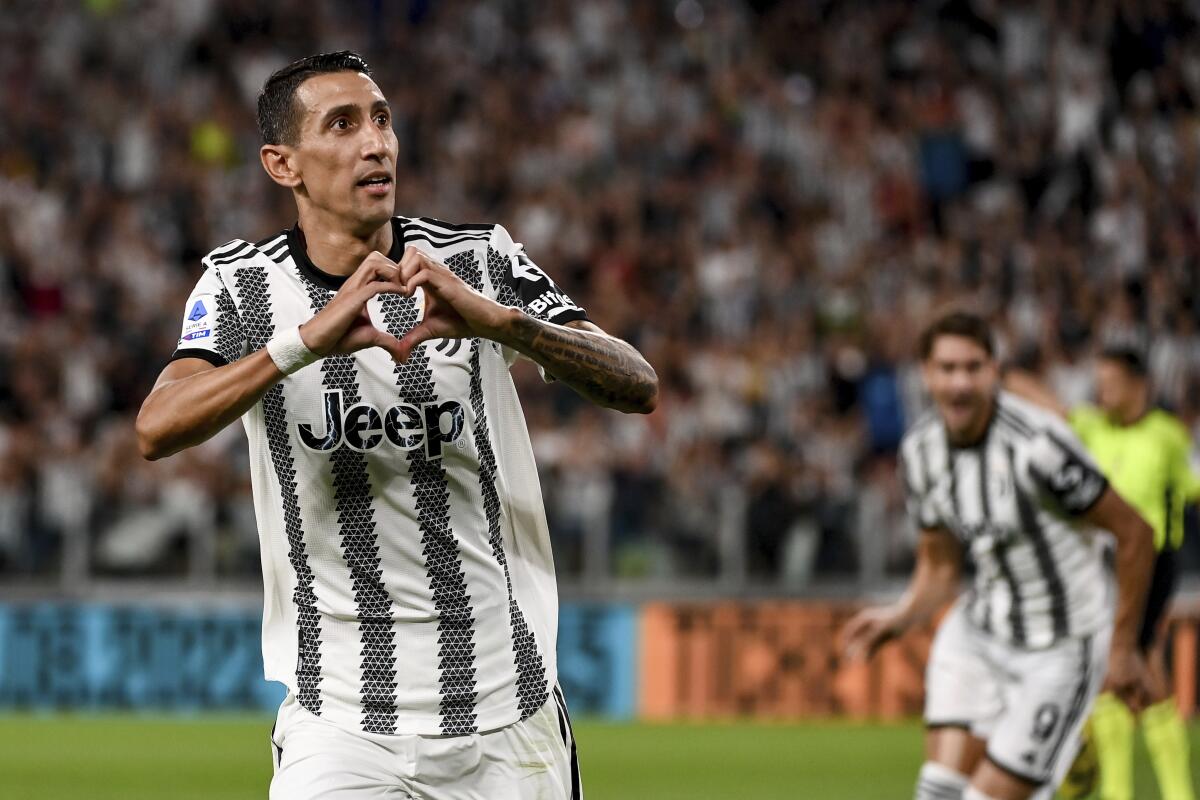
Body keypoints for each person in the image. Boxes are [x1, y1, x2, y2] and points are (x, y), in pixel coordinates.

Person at [135, 51, 657, 800]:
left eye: (381, 119)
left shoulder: (475, 260)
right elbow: (157, 426)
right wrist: (303, 342)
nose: (375, 142)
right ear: (283, 164)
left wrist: (503, 323)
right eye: (342, 125)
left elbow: (638, 383)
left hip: (509, 719)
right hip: (339, 726)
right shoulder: (242, 284)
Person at [841, 311, 1155, 800]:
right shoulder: (921, 452)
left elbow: (1135, 532)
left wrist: (1122, 648)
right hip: (981, 631)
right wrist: (901, 616)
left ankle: (1065, 753)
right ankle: (1064, 764)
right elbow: (941, 566)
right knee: (937, 792)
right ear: (925, 373)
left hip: (1062, 643)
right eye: (947, 368)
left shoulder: (1039, 447)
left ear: (994, 371)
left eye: (973, 367)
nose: (960, 383)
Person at [1007, 344, 1199, 800]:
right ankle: (1168, 791)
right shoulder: (1090, 426)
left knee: (1126, 664)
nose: (1104, 393)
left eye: (1112, 384)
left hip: (1150, 561)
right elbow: (1037, 397)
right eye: (1100, 385)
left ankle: (1130, 791)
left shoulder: (1166, 435)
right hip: (1099, 564)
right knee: (1129, 671)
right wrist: (995, 369)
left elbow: (1190, 488)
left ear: (1140, 386)